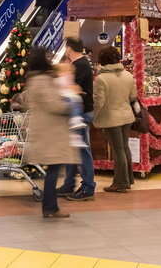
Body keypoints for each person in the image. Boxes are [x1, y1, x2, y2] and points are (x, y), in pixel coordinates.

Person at [24, 47, 78, 218]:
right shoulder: (42, 80)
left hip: (44, 131)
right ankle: (50, 208)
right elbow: (53, 104)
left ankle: (51, 207)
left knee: (53, 170)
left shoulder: (33, 79)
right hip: (50, 132)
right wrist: (70, 105)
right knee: (53, 170)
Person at [93, 46, 137, 193]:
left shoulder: (101, 79)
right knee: (124, 147)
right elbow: (133, 97)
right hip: (127, 116)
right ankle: (128, 178)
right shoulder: (128, 75)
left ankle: (121, 182)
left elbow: (99, 102)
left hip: (111, 118)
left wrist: (93, 116)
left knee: (118, 150)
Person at [56, 38, 95, 201]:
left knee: (81, 150)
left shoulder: (81, 65)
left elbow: (75, 89)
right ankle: (68, 184)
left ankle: (88, 187)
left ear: (69, 48)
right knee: (72, 149)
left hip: (81, 113)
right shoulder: (78, 65)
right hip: (77, 113)